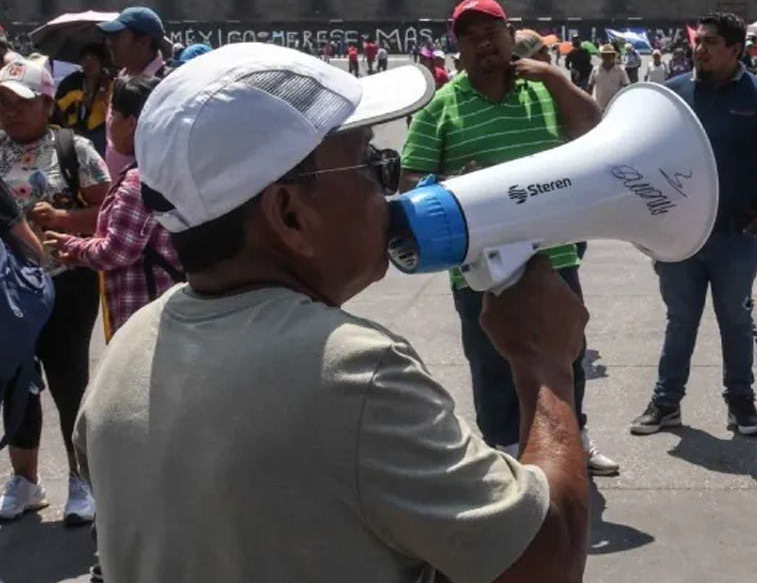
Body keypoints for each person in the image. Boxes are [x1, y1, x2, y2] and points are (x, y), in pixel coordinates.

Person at [73, 43, 592, 582]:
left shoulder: (127, 349)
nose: (388, 191)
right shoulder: (353, 372)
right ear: (288, 213)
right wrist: (545, 361)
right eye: (372, 164)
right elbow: (545, 561)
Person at [400, 0, 618, 476]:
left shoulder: (543, 90)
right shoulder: (442, 107)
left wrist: (557, 80)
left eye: (492, 32)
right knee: (492, 364)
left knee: (568, 354)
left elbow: (594, 133)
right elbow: (410, 184)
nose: (484, 43)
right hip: (479, 267)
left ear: (509, 33)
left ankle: (573, 442)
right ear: (457, 47)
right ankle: (504, 455)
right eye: (471, 36)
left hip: (552, 254)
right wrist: (461, 187)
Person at [630, 12, 757, 438]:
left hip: (737, 234)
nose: (699, 49)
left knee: (735, 318)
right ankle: (666, 402)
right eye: (698, 40)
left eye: (710, 42)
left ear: (736, 49)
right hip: (680, 236)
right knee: (681, 319)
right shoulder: (672, 96)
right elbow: (636, 153)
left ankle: (741, 403)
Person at [0, 59, 111, 525]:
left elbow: (108, 211)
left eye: (19, 103)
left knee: (69, 381)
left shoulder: (75, 149)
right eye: (1, 104)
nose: (9, 112)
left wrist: (62, 220)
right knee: (17, 383)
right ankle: (26, 481)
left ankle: (81, 479)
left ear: (46, 102)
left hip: (67, 282)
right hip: (12, 291)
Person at [45, 76, 181, 339]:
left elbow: (117, 252)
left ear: (132, 123)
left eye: (113, 114)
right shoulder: (167, 169)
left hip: (142, 317)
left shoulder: (137, 179)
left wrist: (70, 245)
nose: (109, 122)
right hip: (165, 308)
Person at [98, 6, 168, 180]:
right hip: (118, 188)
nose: (109, 43)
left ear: (143, 41)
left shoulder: (165, 86)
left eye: (119, 37)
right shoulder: (121, 78)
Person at [52, 43, 113, 157]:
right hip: (73, 131)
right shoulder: (71, 81)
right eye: (85, 59)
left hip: (101, 134)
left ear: (101, 63)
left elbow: (113, 111)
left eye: (94, 59)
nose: (89, 63)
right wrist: (78, 97)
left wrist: (99, 105)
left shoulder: (109, 83)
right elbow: (57, 107)